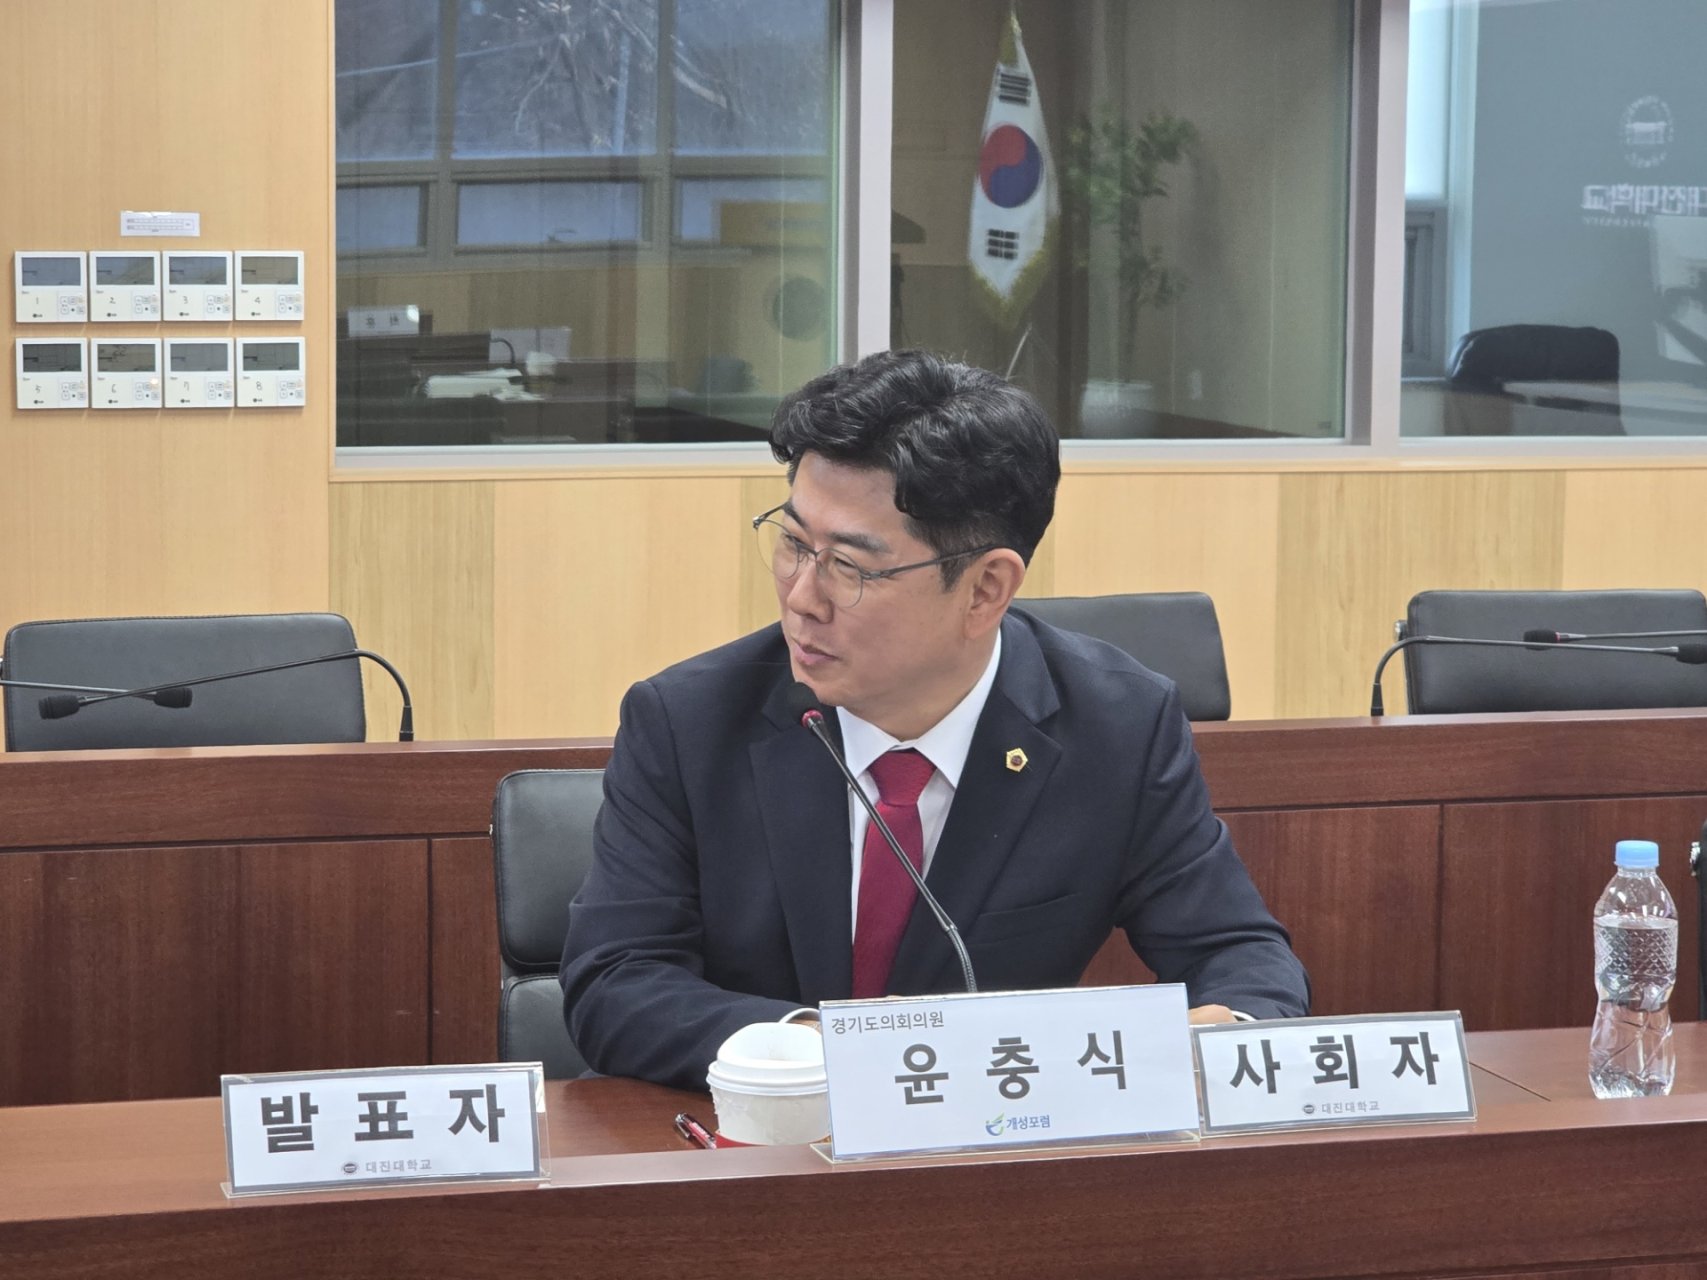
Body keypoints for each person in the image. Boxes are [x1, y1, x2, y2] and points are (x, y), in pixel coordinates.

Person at [560, 349, 1309, 1090]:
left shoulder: (1118, 727)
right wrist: (828, 1050)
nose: (801, 597)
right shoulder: (688, 721)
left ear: (985, 590)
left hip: (996, 1147)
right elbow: (616, 982)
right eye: (793, 543)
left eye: (849, 566)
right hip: (755, 1142)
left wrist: (1220, 1034)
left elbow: (1241, 957)